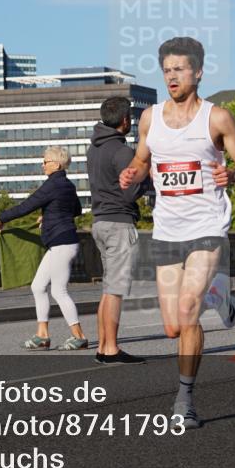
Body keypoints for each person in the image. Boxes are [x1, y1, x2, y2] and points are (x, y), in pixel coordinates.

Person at [120, 36, 235, 428]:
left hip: (207, 227)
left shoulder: (217, 118)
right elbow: (142, 159)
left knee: (186, 309)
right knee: (172, 326)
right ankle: (219, 294)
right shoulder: (150, 118)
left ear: (197, 71)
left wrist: (232, 173)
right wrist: (134, 172)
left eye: (179, 69)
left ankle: (185, 399)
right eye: (166, 70)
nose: (172, 76)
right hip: (166, 230)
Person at [0, 146, 88, 351]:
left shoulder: (53, 184)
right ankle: (42, 335)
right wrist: (51, 214)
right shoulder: (68, 185)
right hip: (63, 241)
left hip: (62, 243)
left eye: (45, 161)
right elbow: (77, 209)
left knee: (59, 291)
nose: (42, 165)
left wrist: (2, 218)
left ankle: (79, 336)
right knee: (38, 286)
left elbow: (28, 205)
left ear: (56, 164)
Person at [87, 96, 149, 364]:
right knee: (115, 289)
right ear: (126, 121)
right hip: (119, 223)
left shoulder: (94, 149)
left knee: (108, 288)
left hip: (100, 221)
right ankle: (111, 348)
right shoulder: (122, 152)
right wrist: (145, 181)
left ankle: (103, 346)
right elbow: (129, 192)